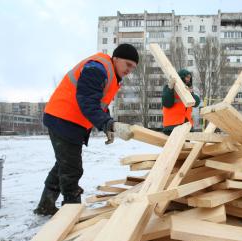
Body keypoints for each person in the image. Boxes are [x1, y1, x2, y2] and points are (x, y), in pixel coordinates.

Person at [34, 44, 139, 216]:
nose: (129, 70)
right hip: (63, 119)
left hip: (69, 121)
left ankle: (46, 205)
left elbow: (100, 104)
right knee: (72, 169)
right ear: (116, 58)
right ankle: (70, 212)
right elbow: (88, 102)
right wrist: (109, 124)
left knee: (63, 164)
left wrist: (107, 125)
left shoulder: (110, 74)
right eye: (128, 64)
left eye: (133, 68)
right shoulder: (96, 68)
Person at [162, 69, 200, 135]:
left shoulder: (188, 89)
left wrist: (191, 94)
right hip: (172, 126)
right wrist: (170, 88)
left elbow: (196, 103)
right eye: (187, 77)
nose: (188, 79)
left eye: (189, 78)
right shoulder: (169, 87)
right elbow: (167, 103)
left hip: (187, 126)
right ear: (181, 77)